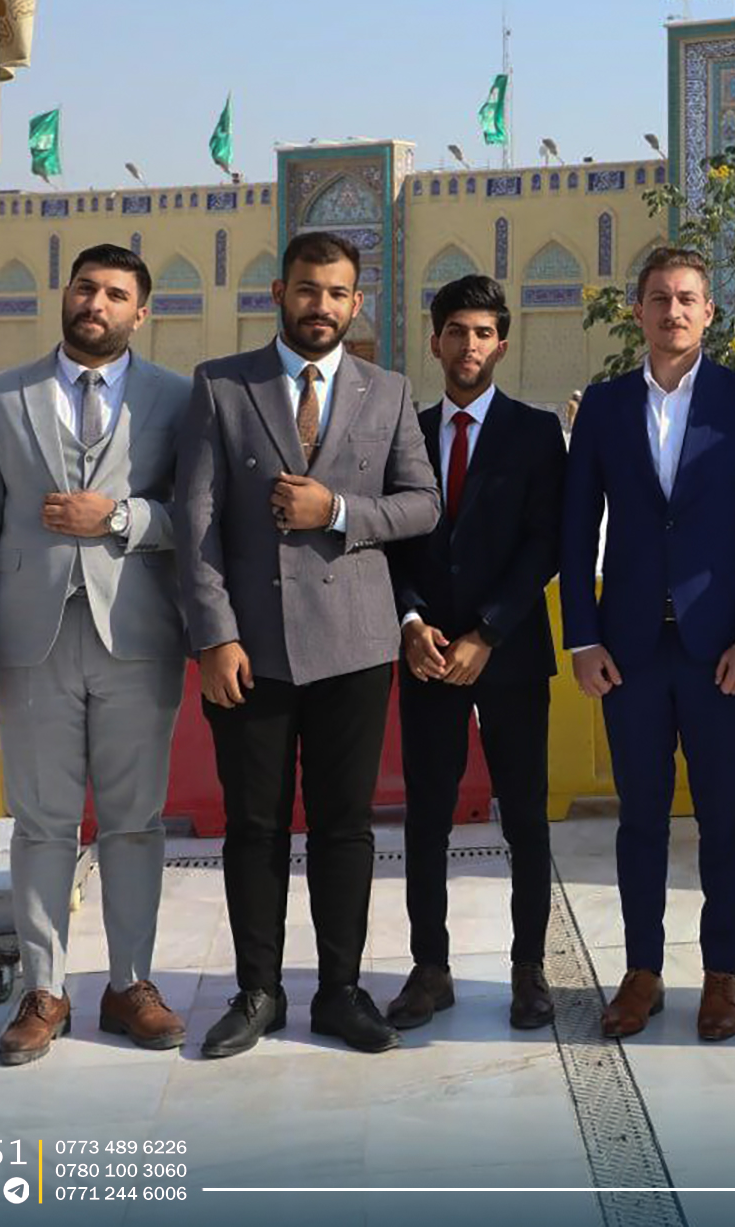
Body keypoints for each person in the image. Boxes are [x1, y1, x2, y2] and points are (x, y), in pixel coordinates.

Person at [176, 230, 439, 1058]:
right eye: (306, 289)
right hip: (251, 651)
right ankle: (257, 992)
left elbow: (423, 504)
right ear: (279, 294)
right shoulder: (223, 386)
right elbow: (196, 524)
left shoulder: (387, 391)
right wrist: (215, 636)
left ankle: (339, 991)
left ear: (357, 302)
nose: (320, 306)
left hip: (354, 648)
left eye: (335, 293)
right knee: (254, 827)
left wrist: (337, 512)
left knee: (344, 827)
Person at [0, 244, 191, 1065]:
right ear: (66, 294)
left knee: (134, 822)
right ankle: (43, 991)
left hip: (137, 637)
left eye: (116, 294)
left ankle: (130, 985)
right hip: (30, 640)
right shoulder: (1, 395)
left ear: (141, 313)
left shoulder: (175, 398)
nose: (97, 303)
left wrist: (117, 517)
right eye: (86, 287)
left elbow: (196, 516)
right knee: (43, 822)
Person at [560, 246, 735, 1043]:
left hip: (718, 648)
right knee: (641, 819)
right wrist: (582, 638)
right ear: (638, 311)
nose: (673, 311)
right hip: (628, 649)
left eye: (688, 298)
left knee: (724, 819)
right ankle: (642, 972)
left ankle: (722, 975)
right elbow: (575, 529)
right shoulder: (605, 406)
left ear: (708, 311)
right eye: (659, 297)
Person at [386, 274, 565, 1032]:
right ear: (435, 342)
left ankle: (529, 968)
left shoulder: (535, 432)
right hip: (427, 654)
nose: (469, 345)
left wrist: (487, 632)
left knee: (524, 815)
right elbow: (389, 538)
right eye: (456, 331)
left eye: (483, 332)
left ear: (502, 343)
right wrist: (409, 620)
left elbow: (546, 542)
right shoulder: (405, 432)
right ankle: (430, 968)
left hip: (509, 653)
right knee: (427, 816)